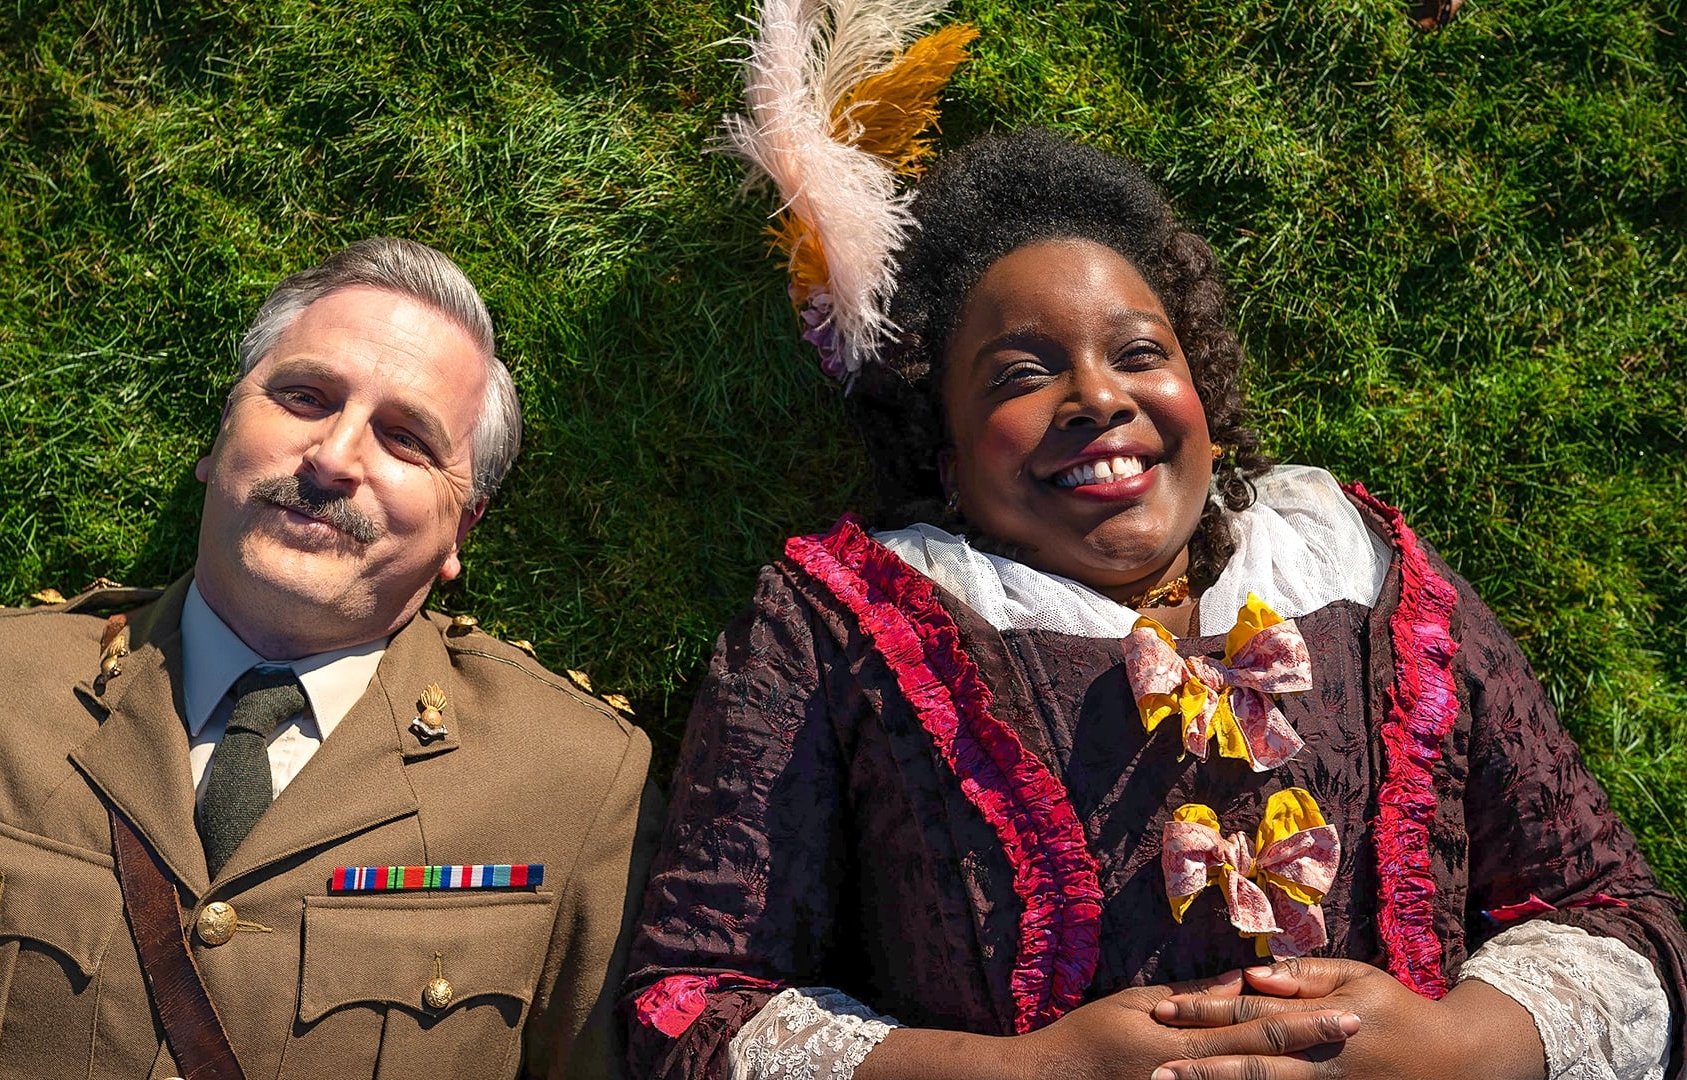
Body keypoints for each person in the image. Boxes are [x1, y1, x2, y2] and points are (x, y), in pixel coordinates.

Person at [622, 130, 1686, 1080]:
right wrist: (1034, 1076)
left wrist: (1456, 1053)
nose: (1098, 396)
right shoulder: (834, 626)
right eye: (1020, 374)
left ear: (1203, 397)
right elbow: (694, 1006)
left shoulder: (1362, 576)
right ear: (945, 452)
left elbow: (1621, 920)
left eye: (1139, 353)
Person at [0, 237, 658, 1079]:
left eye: (405, 439)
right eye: (305, 397)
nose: (334, 458)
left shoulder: (573, 784)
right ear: (222, 431)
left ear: (462, 527)